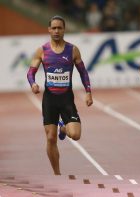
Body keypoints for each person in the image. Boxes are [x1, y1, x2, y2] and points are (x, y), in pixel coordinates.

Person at [27, 15, 93, 175]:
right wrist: (33, 84)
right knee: (50, 138)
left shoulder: (73, 50)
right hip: (49, 99)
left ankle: (63, 128)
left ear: (64, 30)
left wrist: (88, 92)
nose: (56, 31)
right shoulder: (42, 50)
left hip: (66, 99)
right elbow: (31, 72)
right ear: (49, 30)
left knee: (75, 135)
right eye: (54, 28)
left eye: (59, 28)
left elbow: (83, 72)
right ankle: (57, 173)